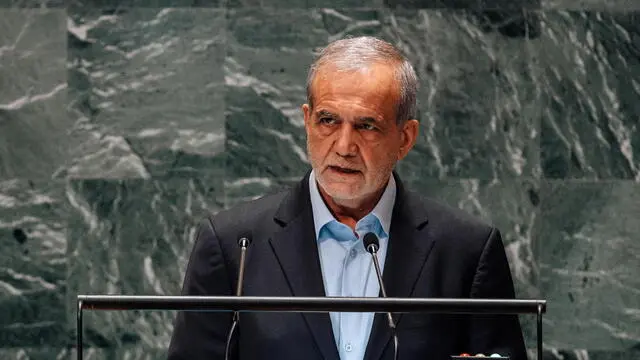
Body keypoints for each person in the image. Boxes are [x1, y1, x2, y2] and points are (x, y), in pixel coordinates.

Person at [167, 36, 527, 360]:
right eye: (328, 121)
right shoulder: (233, 245)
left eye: (366, 126)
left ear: (405, 138)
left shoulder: (465, 250)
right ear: (307, 121)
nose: (343, 147)